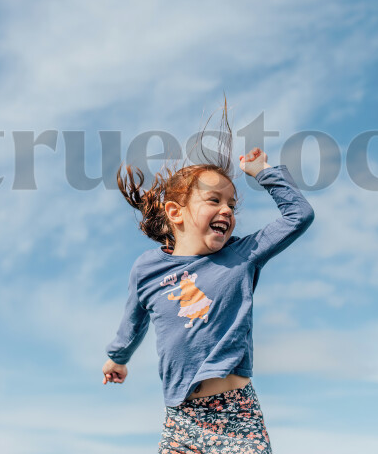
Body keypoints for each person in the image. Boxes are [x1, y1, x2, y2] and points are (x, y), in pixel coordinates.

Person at [102, 104, 315, 453]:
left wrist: (264, 172)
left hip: (237, 415)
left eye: (232, 204)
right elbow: (133, 321)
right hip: (181, 418)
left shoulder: (241, 255)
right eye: (214, 200)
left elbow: (299, 216)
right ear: (175, 212)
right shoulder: (147, 269)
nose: (227, 210)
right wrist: (118, 358)